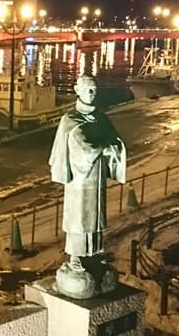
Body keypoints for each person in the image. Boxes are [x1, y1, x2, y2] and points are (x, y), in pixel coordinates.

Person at [49, 75, 126, 270]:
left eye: (94, 90)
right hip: (79, 180)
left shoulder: (100, 118)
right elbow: (83, 149)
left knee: (95, 215)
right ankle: (76, 255)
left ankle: (95, 250)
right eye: (88, 90)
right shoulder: (70, 120)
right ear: (77, 90)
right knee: (79, 217)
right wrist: (103, 147)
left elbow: (114, 141)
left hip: (96, 176)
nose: (92, 94)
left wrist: (110, 147)